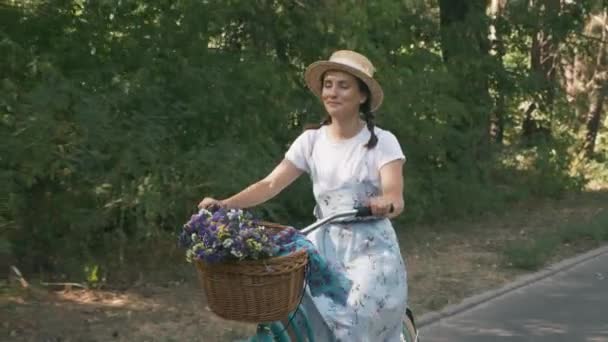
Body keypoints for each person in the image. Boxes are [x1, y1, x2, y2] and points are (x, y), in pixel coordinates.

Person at [199, 50, 408, 341]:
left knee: (356, 321)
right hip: (322, 244)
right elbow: (270, 184)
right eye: (328, 84)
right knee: (296, 319)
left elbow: (395, 197)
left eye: (343, 86)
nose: (332, 92)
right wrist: (225, 204)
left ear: (362, 96)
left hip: (369, 250)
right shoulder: (311, 141)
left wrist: (385, 203)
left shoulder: (383, 142)